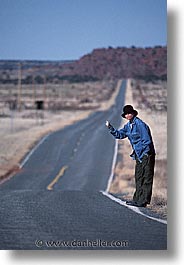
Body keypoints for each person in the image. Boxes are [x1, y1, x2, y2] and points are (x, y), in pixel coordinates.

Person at [106, 105, 155, 207]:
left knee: (146, 178)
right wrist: (111, 128)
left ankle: (144, 201)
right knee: (138, 177)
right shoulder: (128, 126)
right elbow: (120, 134)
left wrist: (145, 153)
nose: (128, 115)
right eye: (126, 114)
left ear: (133, 113)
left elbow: (147, 140)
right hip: (138, 155)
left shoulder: (140, 124)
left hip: (146, 154)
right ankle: (137, 199)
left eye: (129, 113)